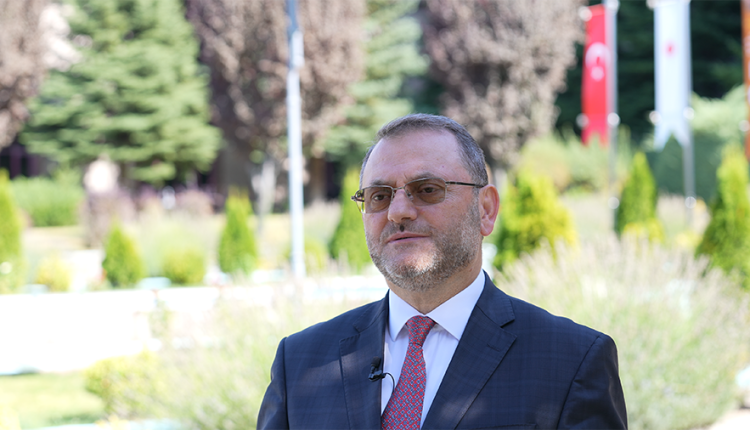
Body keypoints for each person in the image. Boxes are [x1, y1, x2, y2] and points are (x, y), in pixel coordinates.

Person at [257, 114, 627, 430]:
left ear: (485, 209)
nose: (398, 211)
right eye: (379, 196)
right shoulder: (300, 362)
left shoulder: (571, 361)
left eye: (427, 189)